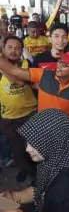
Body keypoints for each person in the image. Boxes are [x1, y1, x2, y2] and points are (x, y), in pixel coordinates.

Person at [0, 50, 69, 118]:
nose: (59, 66)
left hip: (63, 131)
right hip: (41, 126)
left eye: (65, 65)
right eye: (60, 61)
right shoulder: (43, 74)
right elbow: (13, 70)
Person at [0, 36, 37, 182]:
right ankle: (26, 170)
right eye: (9, 47)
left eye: (17, 48)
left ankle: (37, 174)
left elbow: (21, 80)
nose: (13, 51)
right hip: (9, 117)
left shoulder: (27, 64)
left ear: (22, 50)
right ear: (3, 49)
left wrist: (3, 69)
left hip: (30, 114)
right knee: (18, 150)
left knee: (34, 148)